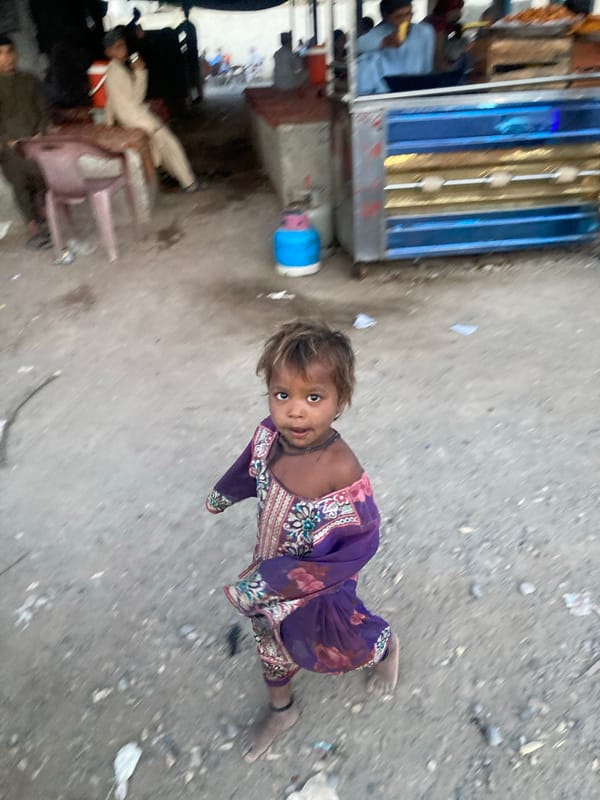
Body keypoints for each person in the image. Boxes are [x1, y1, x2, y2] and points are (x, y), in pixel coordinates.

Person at [206, 320, 400, 763]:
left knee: (338, 644)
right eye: (282, 395)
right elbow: (249, 466)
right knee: (269, 639)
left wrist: (293, 578)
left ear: (340, 400)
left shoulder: (339, 468)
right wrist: (225, 494)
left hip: (319, 585)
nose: (295, 412)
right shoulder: (269, 437)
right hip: (268, 571)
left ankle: (385, 645)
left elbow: (364, 537)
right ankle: (282, 709)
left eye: (314, 398)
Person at [103, 28, 199, 192]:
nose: (124, 50)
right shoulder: (117, 72)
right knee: (171, 146)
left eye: (123, 46)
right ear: (109, 52)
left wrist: (109, 123)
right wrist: (140, 72)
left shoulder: (112, 70)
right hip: (139, 119)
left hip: (131, 119)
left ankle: (173, 176)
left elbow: (110, 101)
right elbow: (136, 99)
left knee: (161, 149)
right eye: (118, 47)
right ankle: (190, 184)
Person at [0, 35, 50, 248]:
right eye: (0, 54)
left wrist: (40, 132)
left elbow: (43, 110)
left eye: (9, 52)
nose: (6, 57)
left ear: (16, 54)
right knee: (19, 179)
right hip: (8, 147)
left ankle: (44, 212)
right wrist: (6, 140)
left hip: (34, 139)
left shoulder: (29, 80)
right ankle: (32, 226)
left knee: (42, 173)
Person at [356, 0, 435, 95]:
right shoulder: (377, 33)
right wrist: (384, 42)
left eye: (409, 14)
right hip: (388, 89)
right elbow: (355, 46)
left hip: (417, 85)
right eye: (399, 16)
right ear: (386, 17)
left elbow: (427, 65)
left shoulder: (424, 31)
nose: (406, 20)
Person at [424, 0, 465, 72]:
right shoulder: (439, 24)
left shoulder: (431, 19)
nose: (460, 12)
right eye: (458, 8)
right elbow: (437, 54)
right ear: (449, 10)